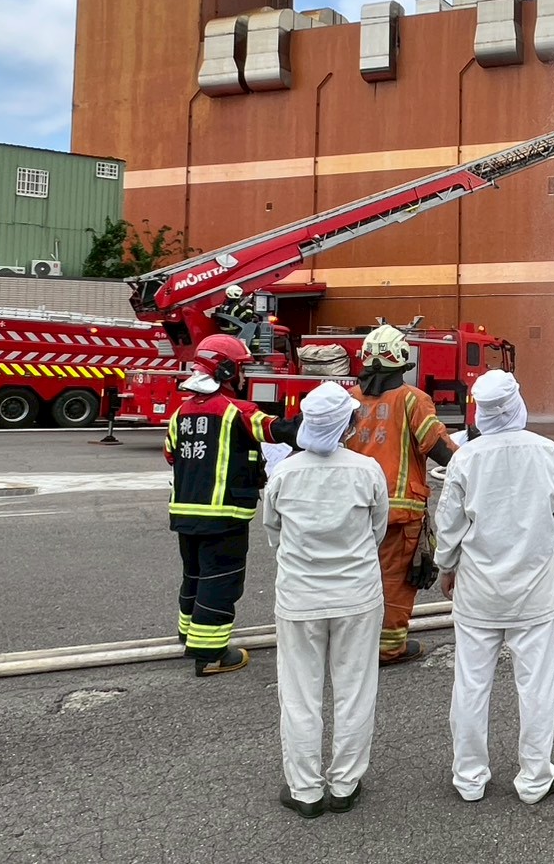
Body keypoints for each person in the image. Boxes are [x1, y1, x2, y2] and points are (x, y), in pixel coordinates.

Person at [435, 369, 554, 804]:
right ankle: (536, 778)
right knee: (535, 685)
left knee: (471, 683)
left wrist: (447, 566)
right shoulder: (552, 454)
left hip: (477, 592)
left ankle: (469, 778)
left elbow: (449, 525)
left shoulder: (465, 457)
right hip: (534, 592)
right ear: (517, 404)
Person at [263, 382, 390, 820]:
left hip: (299, 598)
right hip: (357, 597)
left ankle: (305, 790)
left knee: (299, 694)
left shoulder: (284, 472)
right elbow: (377, 530)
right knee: (354, 690)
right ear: (347, 424)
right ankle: (344, 784)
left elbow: (273, 532)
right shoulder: (367, 470)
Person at [164, 334, 298, 677]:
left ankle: (189, 634)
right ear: (225, 370)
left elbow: (170, 454)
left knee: (193, 575)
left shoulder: (180, 413)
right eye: (239, 369)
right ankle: (210, 654)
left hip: (185, 513)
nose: (243, 376)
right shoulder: (238, 411)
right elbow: (275, 430)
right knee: (221, 579)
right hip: (224, 514)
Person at [345, 323, 457, 666]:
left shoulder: (348, 399)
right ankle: (388, 647)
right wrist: (470, 460)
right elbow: (438, 448)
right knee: (394, 579)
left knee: (353, 574)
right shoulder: (412, 399)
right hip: (399, 510)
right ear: (403, 362)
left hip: (353, 508)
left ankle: (350, 642)